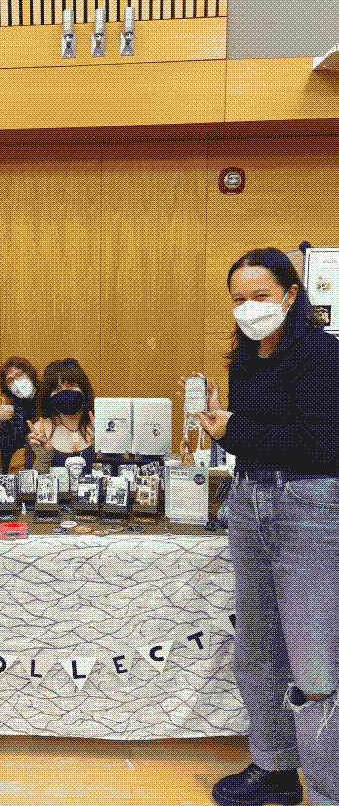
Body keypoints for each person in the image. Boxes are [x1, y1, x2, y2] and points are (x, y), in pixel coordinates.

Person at [179, 247, 339, 806]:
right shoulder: (244, 357)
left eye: (260, 297)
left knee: (315, 661)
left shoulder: (322, 356)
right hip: (250, 502)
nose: (247, 309)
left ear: (292, 296)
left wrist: (235, 432)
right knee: (258, 648)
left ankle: (324, 789)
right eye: (237, 300)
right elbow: (248, 436)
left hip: (310, 508)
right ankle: (273, 766)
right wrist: (226, 431)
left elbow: (321, 447)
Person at [26, 358, 95, 472]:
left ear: (83, 388)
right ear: (49, 395)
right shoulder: (39, 431)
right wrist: (43, 458)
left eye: (71, 385)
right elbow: (29, 483)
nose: (64, 392)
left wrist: (103, 443)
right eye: (57, 389)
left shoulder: (100, 425)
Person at [0, 356, 39, 473]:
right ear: (7, 387)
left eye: (19, 375)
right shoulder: (10, 409)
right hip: (19, 471)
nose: (17, 383)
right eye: (10, 380)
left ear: (29, 373)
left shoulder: (49, 394)